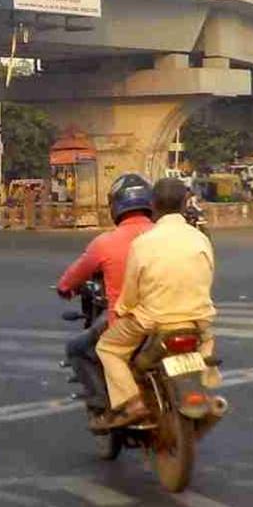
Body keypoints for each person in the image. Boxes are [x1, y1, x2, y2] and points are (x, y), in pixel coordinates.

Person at [95, 177, 217, 429]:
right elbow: (208, 274)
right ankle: (207, 390)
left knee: (108, 348)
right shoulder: (200, 238)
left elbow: (130, 294)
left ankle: (131, 402)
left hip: (154, 320)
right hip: (197, 318)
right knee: (206, 349)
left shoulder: (143, 244)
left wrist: (122, 310)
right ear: (185, 203)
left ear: (153, 205)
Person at [55, 174, 155, 419]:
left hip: (130, 318)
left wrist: (65, 288)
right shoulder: (164, 236)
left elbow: (72, 277)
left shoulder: (105, 242)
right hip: (174, 312)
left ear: (116, 206)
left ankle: (103, 400)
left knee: (78, 348)